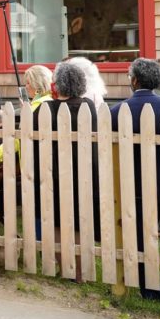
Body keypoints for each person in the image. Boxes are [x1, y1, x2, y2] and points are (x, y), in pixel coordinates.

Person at [110, 57, 160, 301]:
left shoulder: (117, 110)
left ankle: (149, 289)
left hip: (135, 183)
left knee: (144, 237)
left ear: (134, 80)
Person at [34, 61, 99, 280]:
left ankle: (66, 270)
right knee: (79, 222)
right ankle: (79, 272)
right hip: (83, 172)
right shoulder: (87, 106)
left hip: (53, 173)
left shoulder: (46, 109)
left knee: (57, 223)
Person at [0, 64, 52, 162]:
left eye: (28, 83)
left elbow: (18, 138)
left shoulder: (36, 106)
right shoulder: (51, 101)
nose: (25, 86)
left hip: (32, 162)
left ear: (37, 85)